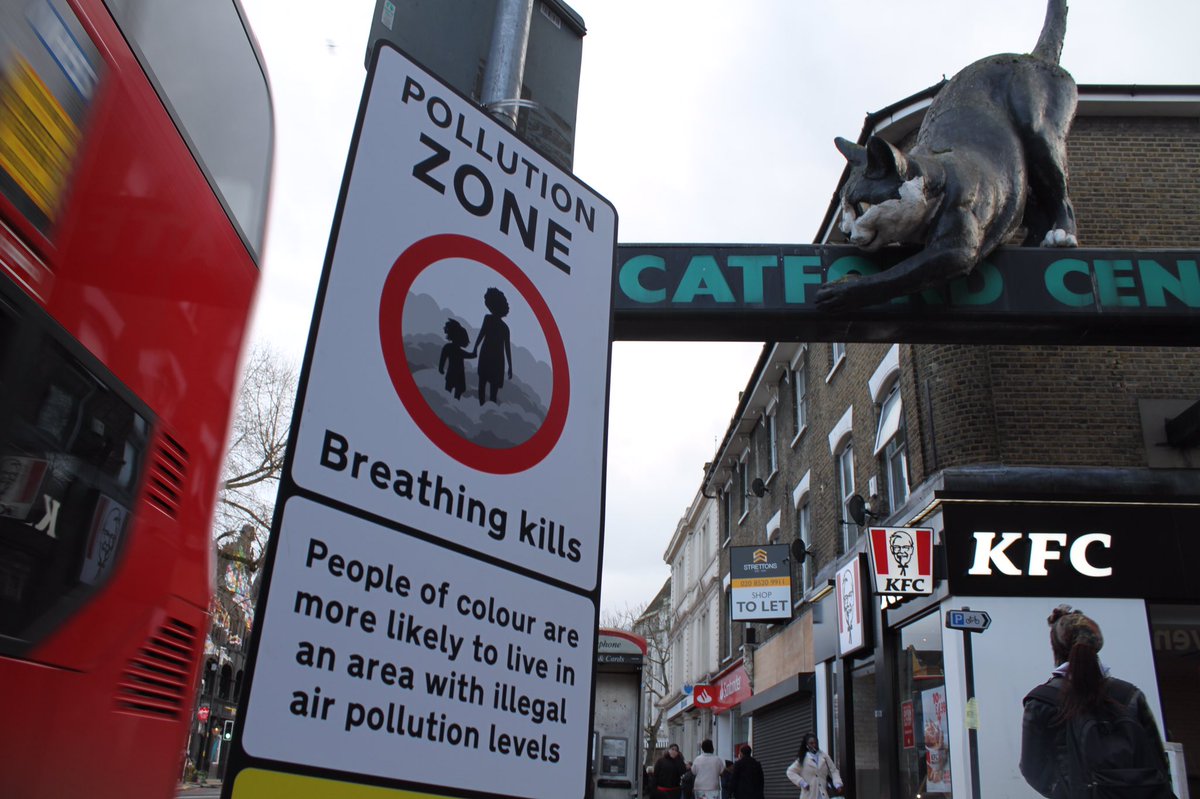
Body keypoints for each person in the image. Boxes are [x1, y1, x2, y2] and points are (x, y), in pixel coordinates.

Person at [1020, 605, 1174, 799]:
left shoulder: (1042, 699)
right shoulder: (1129, 695)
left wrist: (1066, 792)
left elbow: (1032, 768)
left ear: (1056, 648)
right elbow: (1158, 759)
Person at [786, 733, 843, 799]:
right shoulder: (803, 759)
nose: (814, 745)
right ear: (807, 745)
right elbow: (790, 771)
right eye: (811, 743)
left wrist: (837, 783)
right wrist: (802, 782)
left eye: (816, 742)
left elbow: (833, 770)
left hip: (823, 794)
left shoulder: (824, 757)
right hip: (809, 795)